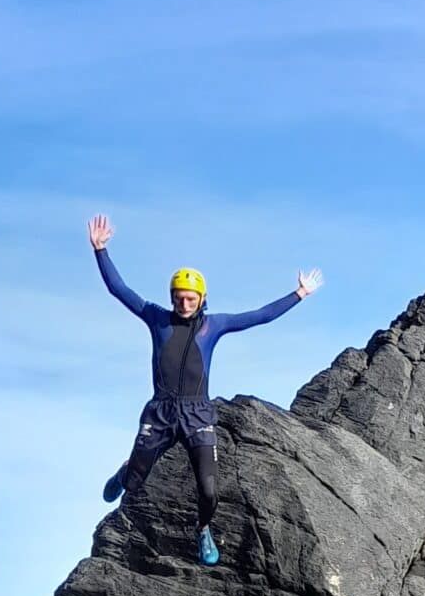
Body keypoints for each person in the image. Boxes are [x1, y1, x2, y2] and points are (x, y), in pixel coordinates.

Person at [88, 216, 322, 566]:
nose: (185, 304)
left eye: (191, 299)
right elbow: (119, 290)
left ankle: (203, 530)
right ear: (172, 298)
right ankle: (125, 473)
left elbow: (260, 316)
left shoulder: (214, 325)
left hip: (198, 413)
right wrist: (101, 250)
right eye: (180, 298)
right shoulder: (157, 318)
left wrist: (299, 294)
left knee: (210, 489)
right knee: (135, 484)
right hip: (161, 413)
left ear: (202, 299)